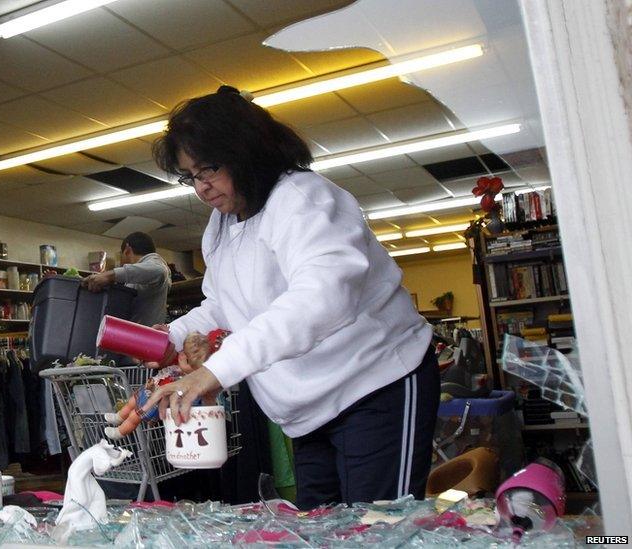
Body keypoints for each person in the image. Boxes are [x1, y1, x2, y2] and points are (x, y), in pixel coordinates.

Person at [142, 85, 439, 510]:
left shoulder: (304, 198)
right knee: (322, 530)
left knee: (380, 531)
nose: (201, 188)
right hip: (307, 412)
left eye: (207, 170)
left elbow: (322, 297)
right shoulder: (222, 226)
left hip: (376, 385)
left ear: (246, 152)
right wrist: (170, 337)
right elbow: (226, 305)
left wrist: (219, 370)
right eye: (191, 177)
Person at [82, 232, 171, 327]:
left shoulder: (155, 262)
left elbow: (159, 271)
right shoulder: (140, 274)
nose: (121, 260)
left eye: (121, 254)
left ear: (127, 250)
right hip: (136, 336)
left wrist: (108, 276)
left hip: (146, 338)